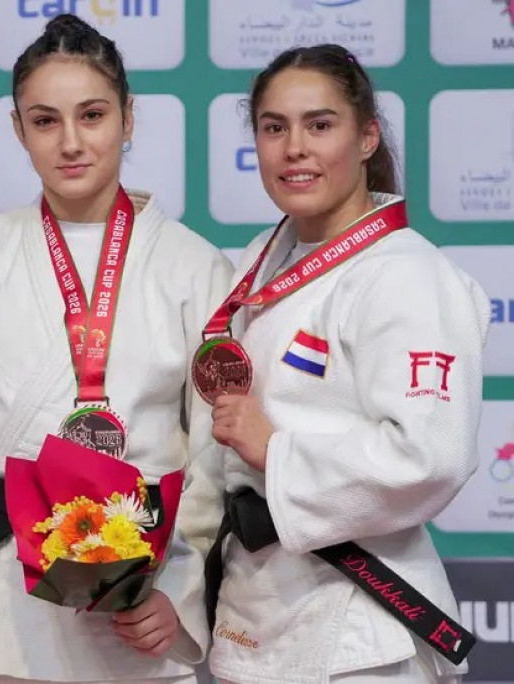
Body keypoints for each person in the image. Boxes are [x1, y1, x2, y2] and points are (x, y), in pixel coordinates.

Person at [0, 14, 232, 684]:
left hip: (139, 588)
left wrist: (178, 594)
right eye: (45, 121)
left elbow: (217, 457)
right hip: (10, 583)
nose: (70, 142)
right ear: (18, 130)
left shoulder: (195, 266)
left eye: (92, 115)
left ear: (129, 118)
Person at [193, 44, 489, 683]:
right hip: (258, 603)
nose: (294, 148)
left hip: (359, 625)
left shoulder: (407, 275)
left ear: (366, 138)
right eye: (274, 128)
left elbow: (429, 458)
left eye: (320, 125)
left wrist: (276, 450)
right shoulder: (263, 255)